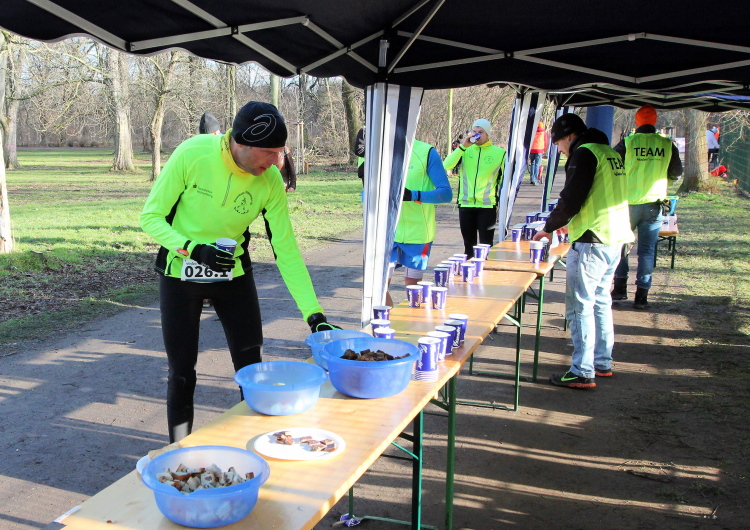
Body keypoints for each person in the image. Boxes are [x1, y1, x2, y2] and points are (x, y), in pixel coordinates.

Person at [141, 101, 340, 442]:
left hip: (232, 274)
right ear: (242, 142)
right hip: (181, 272)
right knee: (182, 373)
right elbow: (151, 217)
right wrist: (193, 249)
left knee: (252, 370)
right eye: (270, 152)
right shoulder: (193, 153)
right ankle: (178, 452)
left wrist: (315, 315)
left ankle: (255, 449)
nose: (277, 162)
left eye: (281, 152)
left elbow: (287, 251)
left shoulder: (270, 180)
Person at [533, 113, 633, 389]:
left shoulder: (584, 154)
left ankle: (582, 370)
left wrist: (549, 227)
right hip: (614, 236)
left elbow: (571, 198)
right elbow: (597, 193)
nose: (559, 149)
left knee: (580, 307)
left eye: (558, 143)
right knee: (600, 301)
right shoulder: (608, 152)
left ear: (568, 136)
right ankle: (602, 362)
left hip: (592, 239)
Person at [611, 104, 682, 309]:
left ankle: (619, 289)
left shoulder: (628, 142)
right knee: (647, 251)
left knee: (621, 245)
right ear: (655, 121)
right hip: (654, 204)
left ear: (637, 121)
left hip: (627, 204)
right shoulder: (667, 144)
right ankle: (642, 295)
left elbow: (612, 166)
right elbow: (676, 172)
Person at [385, 140, 452, 306]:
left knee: (413, 289)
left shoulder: (426, 152)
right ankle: (388, 321)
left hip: (418, 234)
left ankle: (414, 321)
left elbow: (446, 194)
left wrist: (414, 195)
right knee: (379, 287)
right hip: (387, 232)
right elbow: (365, 194)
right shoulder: (378, 148)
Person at [443, 118, 507, 258]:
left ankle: (485, 270)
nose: (476, 135)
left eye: (481, 132)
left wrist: (501, 206)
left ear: (488, 134)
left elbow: (505, 181)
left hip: (487, 206)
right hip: (466, 205)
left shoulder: (500, 153)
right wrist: (462, 147)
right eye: (474, 131)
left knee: (486, 246)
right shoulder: (465, 150)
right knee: (469, 247)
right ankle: (469, 271)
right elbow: (446, 165)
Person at [528, 121, 548, 186]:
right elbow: (546, 142)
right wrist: (544, 149)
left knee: (532, 164)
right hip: (539, 150)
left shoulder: (532, 132)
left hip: (532, 150)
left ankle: (532, 178)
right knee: (537, 164)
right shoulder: (544, 133)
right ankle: (535, 179)